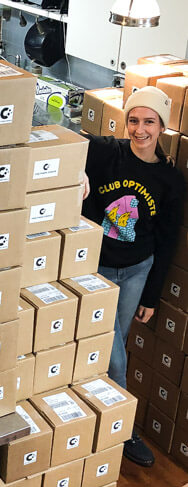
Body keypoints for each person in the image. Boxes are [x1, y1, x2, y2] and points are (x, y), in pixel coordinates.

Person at [82, 86, 185, 467]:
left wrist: (151, 298)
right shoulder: (108, 151)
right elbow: (64, 141)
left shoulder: (171, 182)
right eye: (134, 120)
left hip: (137, 271)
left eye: (149, 122)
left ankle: (100, 415)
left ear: (162, 127)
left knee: (116, 345)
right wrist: (78, 171)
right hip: (97, 267)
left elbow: (167, 241)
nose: (139, 129)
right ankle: (123, 430)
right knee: (116, 357)